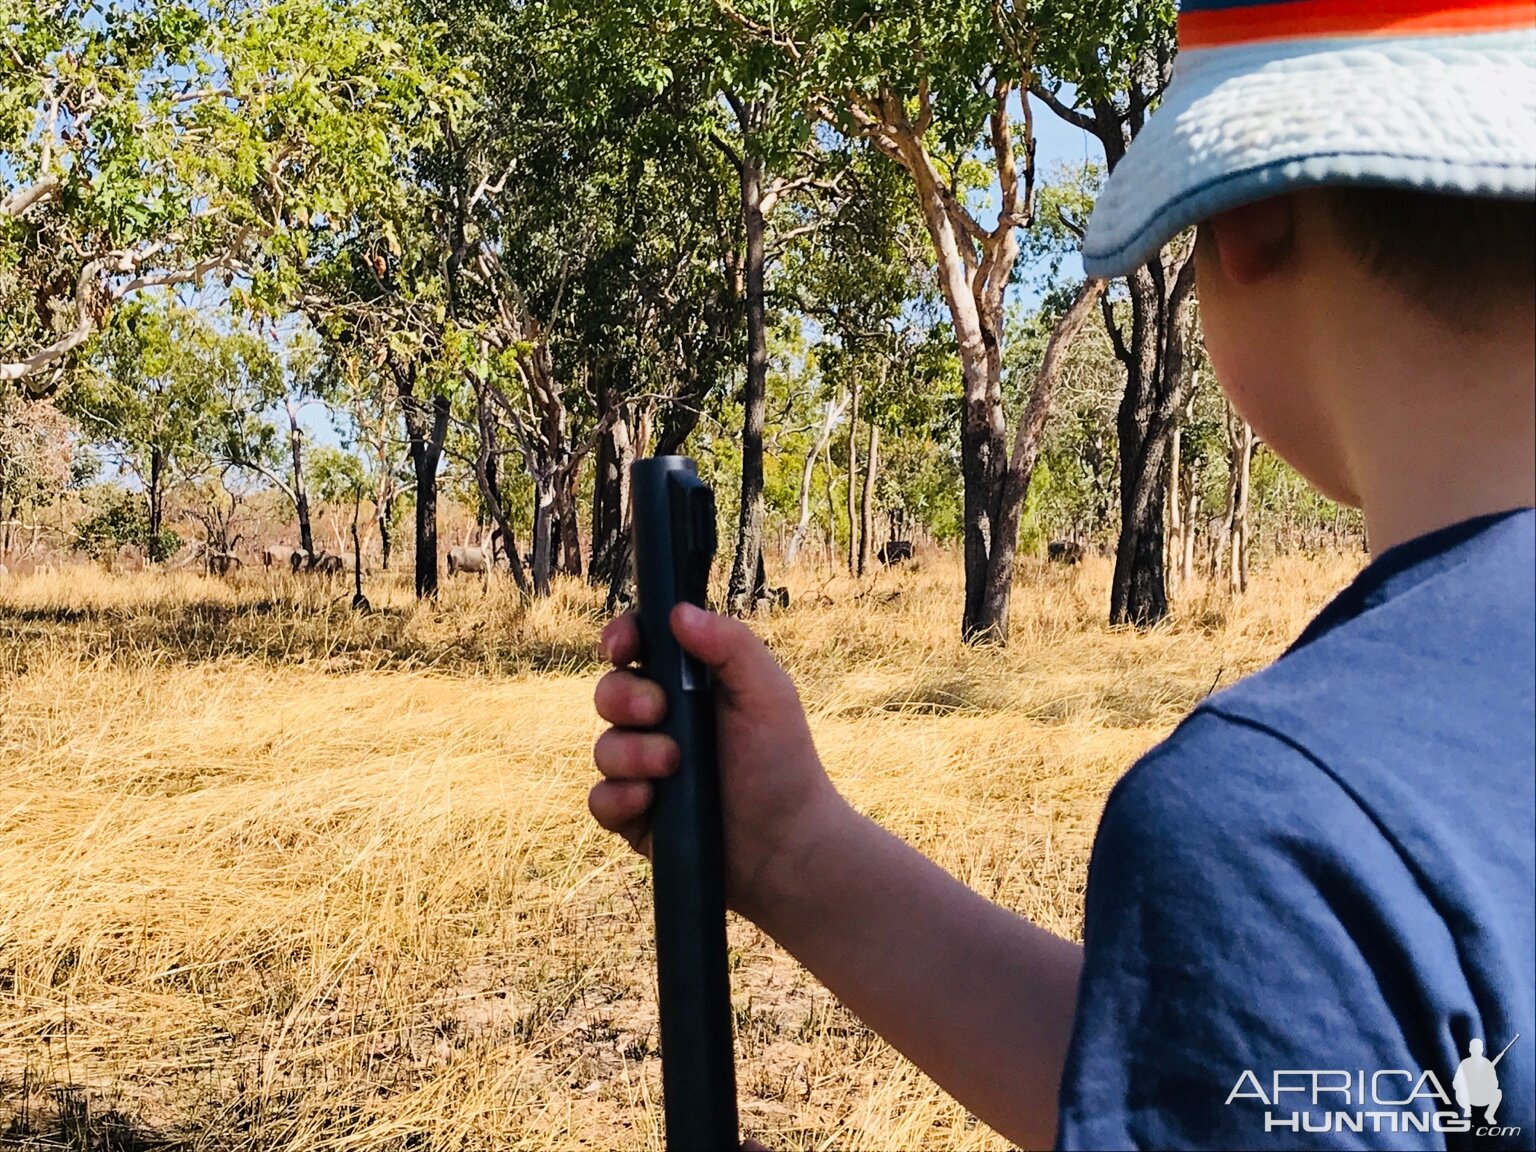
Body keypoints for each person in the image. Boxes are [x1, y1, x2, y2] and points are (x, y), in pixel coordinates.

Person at [589, 1, 1535, 1146]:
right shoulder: (1332, 844)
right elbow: (1249, 1078)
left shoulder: (1281, 824)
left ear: (1248, 217)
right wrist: (794, 851)